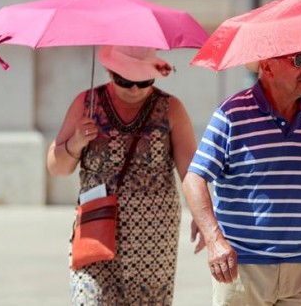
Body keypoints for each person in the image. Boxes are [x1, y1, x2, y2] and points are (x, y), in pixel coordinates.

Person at [183, 50, 301, 305]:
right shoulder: (231, 113)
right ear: (268, 67)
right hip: (244, 268)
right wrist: (214, 240)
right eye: (299, 60)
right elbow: (194, 178)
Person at [46, 45, 197, 305]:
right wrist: (76, 142)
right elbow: (57, 167)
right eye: (125, 80)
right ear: (109, 70)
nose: (135, 89)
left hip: (153, 236)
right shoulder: (86, 103)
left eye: (143, 81)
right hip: (96, 227)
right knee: (89, 298)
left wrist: (202, 216)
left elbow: (191, 171)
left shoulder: (171, 107)